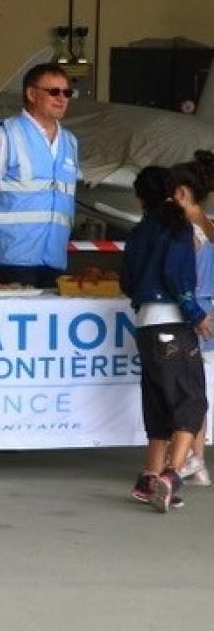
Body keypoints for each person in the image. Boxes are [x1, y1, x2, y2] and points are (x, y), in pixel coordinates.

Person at [120, 165, 209, 514]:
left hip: (144, 325)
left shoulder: (138, 231)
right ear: (175, 192)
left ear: (141, 198)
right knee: (191, 402)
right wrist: (196, 314)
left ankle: (148, 478)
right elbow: (177, 276)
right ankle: (172, 475)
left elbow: (127, 281)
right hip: (173, 323)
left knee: (157, 403)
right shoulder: (178, 228)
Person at [0, 63, 80, 290]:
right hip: (12, 260)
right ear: (31, 94)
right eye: (53, 92)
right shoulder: (7, 135)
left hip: (55, 259)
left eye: (67, 92)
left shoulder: (70, 142)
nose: (62, 98)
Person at [176, 151, 214, 487]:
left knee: (188, 393)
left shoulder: (186, 230)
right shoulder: (208, 224)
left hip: (194, 315)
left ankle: (193, 459)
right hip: (208, 311)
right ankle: (196, 460)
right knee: (197, 392)